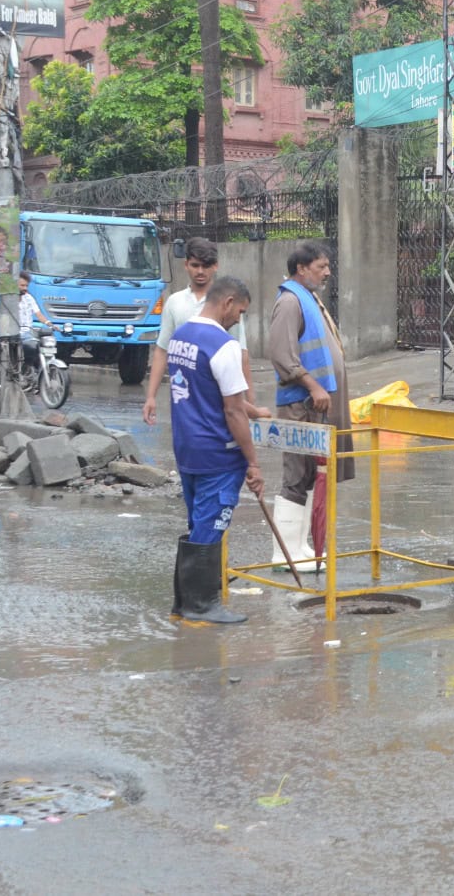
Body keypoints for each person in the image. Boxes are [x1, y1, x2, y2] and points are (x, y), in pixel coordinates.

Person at [167, 276, 264, 625]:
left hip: (187, 448)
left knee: (197, 523)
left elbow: (208, 391)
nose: (239, 319)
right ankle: (201, 606)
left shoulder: (180, 338)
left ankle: (183, 603)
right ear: (227, 303)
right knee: (211, 525)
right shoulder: (223, 345)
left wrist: (254, 410)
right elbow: (232, 410)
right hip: (217, 453)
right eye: (240, 311)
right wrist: (253, 462)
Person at [266, 241, 355, 570]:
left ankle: (301, 549)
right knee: (297, 474)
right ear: (301, 269)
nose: (327, 272)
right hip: (301, 404)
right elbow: (281, 355)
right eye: (321, 266)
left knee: (312, 476)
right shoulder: (290, 301)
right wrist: (313, 385)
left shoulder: (310, 298)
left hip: (317, 405)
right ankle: (285, 554)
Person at [143, 238, 265, 425]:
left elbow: (241, 354)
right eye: (195, 265)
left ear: (215, 266)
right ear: (186, 265)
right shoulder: (175, 303)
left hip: (220, 397)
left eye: (206, 266)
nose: (200, 271)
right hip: (186, 401)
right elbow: (161, 351)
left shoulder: (227, 304)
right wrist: (151, 396)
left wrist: (251, 403)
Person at [16, 272, 55, 367]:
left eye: (26, 285)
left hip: (26, 332)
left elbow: (38, 314)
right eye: (22, 285)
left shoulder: (29, 298)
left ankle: (34, 368)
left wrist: (49, 324)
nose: (25, 288)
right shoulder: (8, 299)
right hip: (11, 332)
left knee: (38, 346)